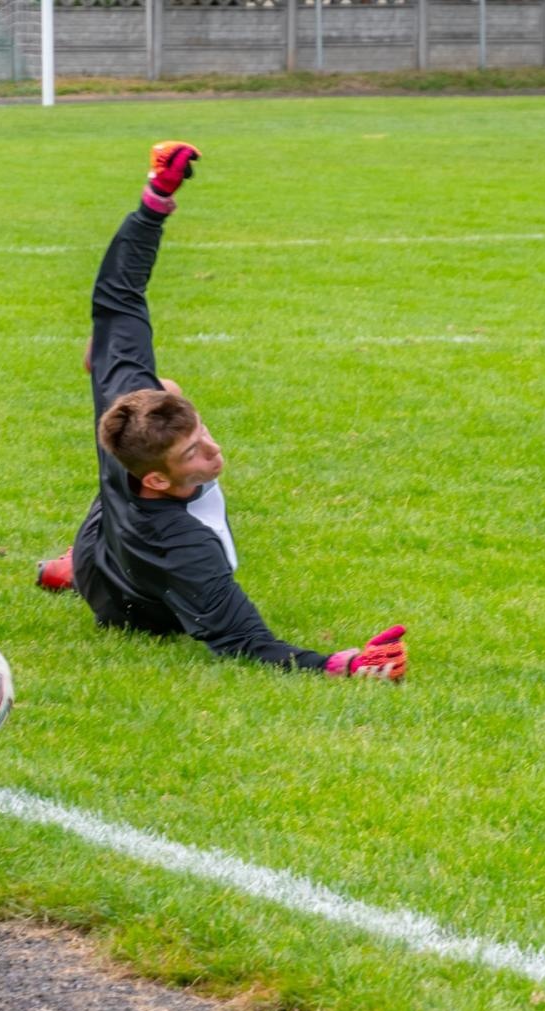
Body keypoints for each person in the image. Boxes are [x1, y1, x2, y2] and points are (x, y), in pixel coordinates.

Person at [36, 142, 407, 682]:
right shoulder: (184, 550)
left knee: (154, 389)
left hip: (104, 545)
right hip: (132, 607)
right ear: (162, 480)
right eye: (194, 453)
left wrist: (156, 198)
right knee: (136, 457)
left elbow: (119, 293)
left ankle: (84, 560)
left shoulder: (134, 405)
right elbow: (244, 641)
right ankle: (97, 569)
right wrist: (344, 664)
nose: (214, 448)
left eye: (201, 431)